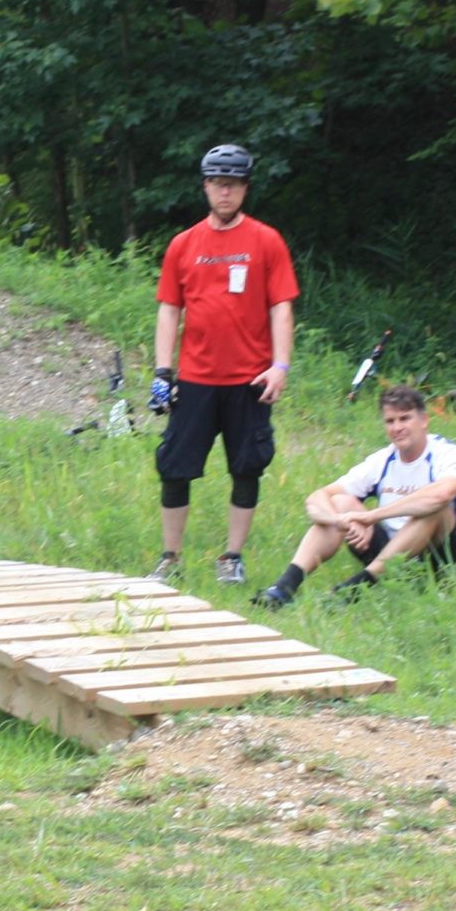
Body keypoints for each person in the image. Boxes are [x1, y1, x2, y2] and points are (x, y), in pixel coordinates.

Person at [148, 143, 299, 586]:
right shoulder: (184, 244)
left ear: (245, 189)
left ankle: (231, 557)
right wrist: (162, 372)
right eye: (217, 183)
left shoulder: (266, 241)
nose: (224, 193)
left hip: (249, 379)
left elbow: (281, 308)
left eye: (232, 185)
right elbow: (168, 310)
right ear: (206, 187)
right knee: (174, 465)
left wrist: (280, 366)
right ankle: (170, 558)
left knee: (247, 465)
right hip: (195, 378)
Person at [253, 385, 456, 608]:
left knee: (436, 509)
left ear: (424, 421)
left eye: (405, 418)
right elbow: (317, 498)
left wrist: (373, 516)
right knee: (340, 503)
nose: (397, 427)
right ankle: (284, 588)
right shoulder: (382, 460)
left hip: (452, 563)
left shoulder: (449, 453)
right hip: (397, 559)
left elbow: (442, 494)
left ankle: (355, 589)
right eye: (390, 421)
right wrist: (339, 520)